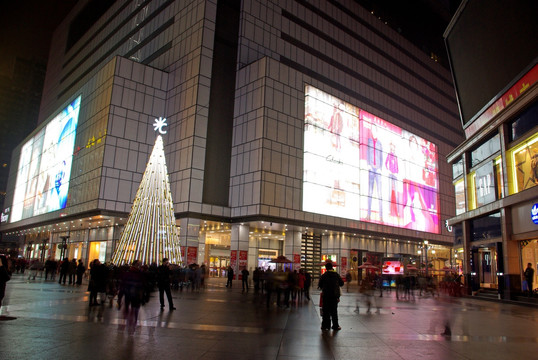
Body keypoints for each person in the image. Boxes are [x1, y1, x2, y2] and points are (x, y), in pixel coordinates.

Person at [318, 262, 344, 331]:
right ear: (332, 267)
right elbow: (342, 283)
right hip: (334, 296)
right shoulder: (336, 275)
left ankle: (325, 326)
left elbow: (320, 285)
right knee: (334, 311)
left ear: (326, 268)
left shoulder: (324, 275)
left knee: (325, 311)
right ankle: (335, 325)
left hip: (326, 296)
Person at [367, 123, 383, 222]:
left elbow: (381, 156)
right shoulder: (369, 141)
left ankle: (381, 217)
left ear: (377, 131)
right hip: (371, 168)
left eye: (375, 130)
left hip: (378, 169)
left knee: (380, 194)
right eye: (372, 130)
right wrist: (368, 164)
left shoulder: (380, 143)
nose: (373, 131)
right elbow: (367, 152)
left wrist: (380, 167)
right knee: (370, 192)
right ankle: (368, 215)